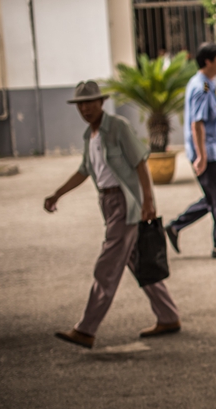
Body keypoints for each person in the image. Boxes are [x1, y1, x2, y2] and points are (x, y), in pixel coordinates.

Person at [44, 80, 181, 349]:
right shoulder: (90, 136)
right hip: (107, 203)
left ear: (101, 102)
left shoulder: (118, 127)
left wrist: (148, 202)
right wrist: (57, 193)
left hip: (126, 203)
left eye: (90, 102)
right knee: (135, 261)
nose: (85, 108)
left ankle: (86, 329)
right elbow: (84, 170)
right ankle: (168, 316)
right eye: (80, 104)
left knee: (107, 266)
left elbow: (140, 163)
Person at [165, 42, 216, 259]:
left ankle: (175, 227)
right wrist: (201, 155)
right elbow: (197, 124)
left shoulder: (207, 84)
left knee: (213, 199)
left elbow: (209, 121)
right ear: (207, 61)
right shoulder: (201, 86)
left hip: (212, 149)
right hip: (207, 154)